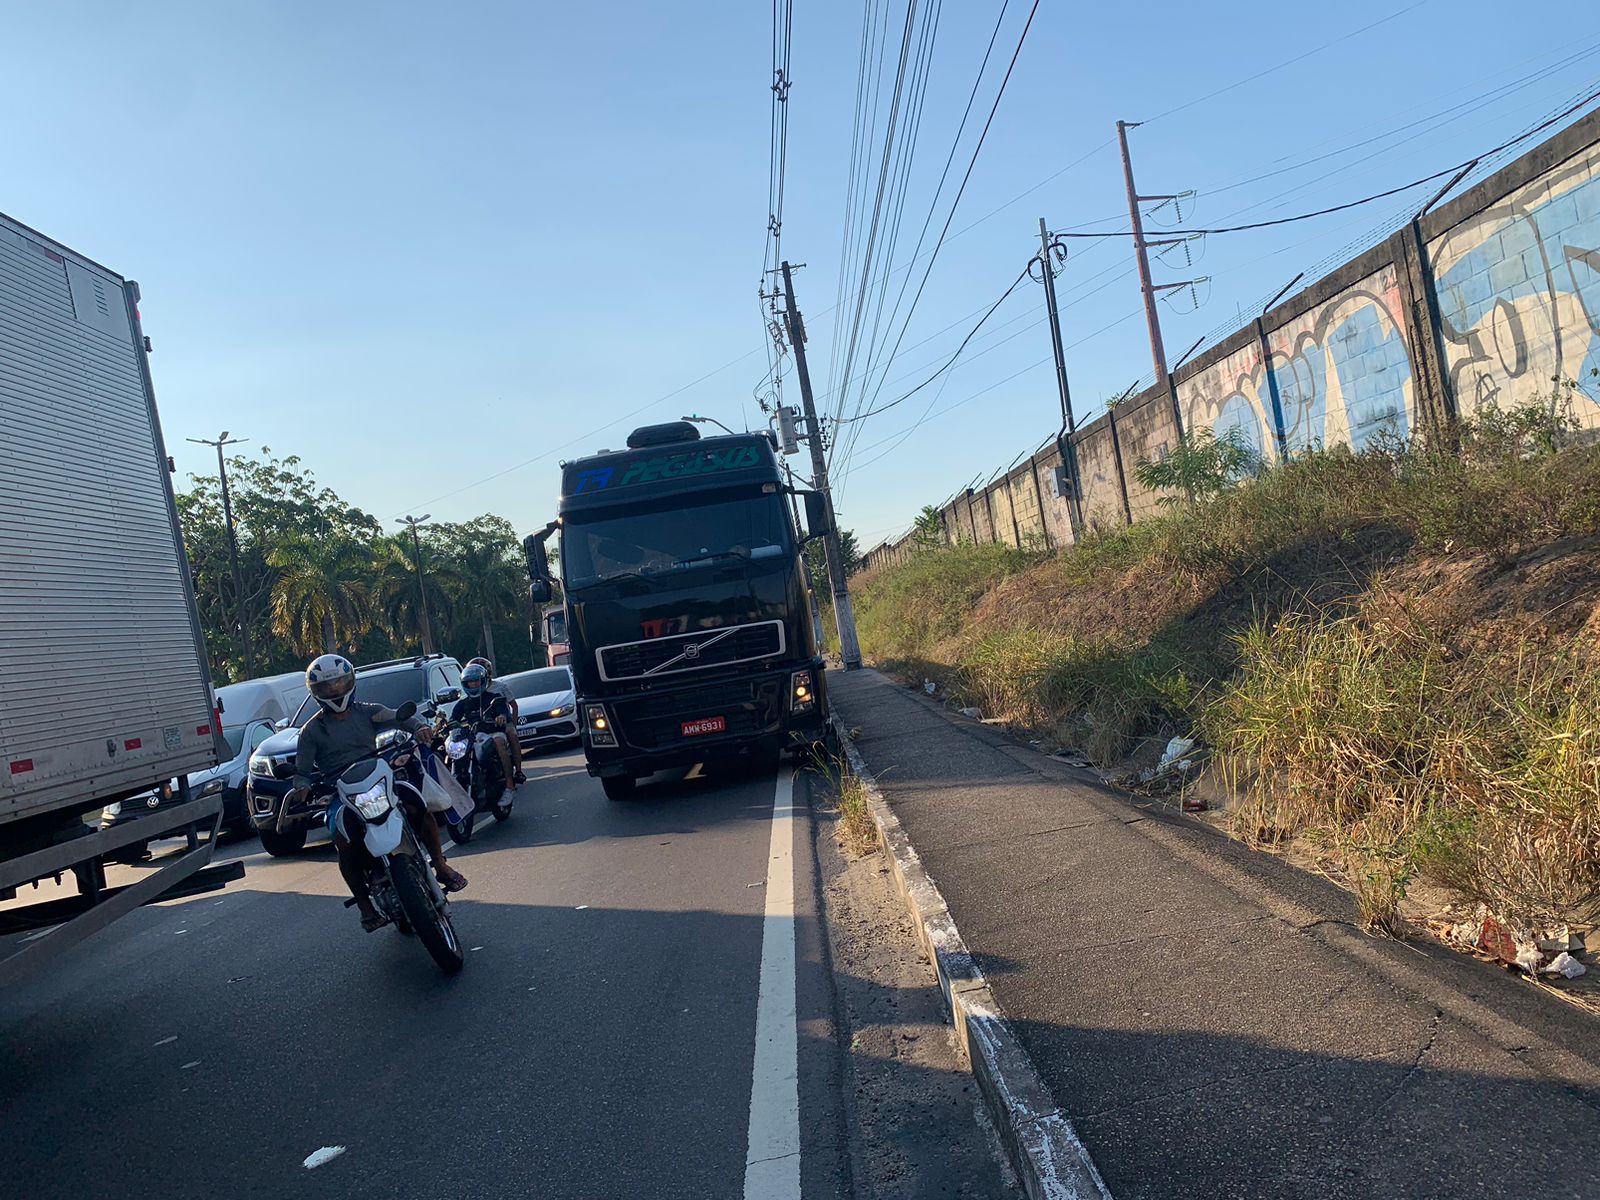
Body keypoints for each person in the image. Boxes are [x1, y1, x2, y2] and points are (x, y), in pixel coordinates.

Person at [289, 654, 467, 931]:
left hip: (378, 779)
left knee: (416, 803)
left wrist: (419, 727)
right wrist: (301, 787)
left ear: (350, 682)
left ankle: (441, 865)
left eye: (339, 683)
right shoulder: (311, 731)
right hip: (341, 793)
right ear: (316, 692)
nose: (335, 690)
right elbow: (301, 771)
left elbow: (400, 717)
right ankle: (365, 906)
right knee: (342, 841)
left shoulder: (367, 711)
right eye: (327, 687)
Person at [453, 662, 518, 794]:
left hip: (493, 732)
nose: (474, 684)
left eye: (477, 681)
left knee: (499, 743)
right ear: (465, 684)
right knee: (455, 749)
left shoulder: (494, 698)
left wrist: (501, 717)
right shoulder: (463, 703)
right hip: (474, 736)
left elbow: (504, 711)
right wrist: (446, 725)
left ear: (483, 680)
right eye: (470, 682)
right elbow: (453, 719)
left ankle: (509, 785)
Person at [468, 656, 526, 785]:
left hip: (501, 721)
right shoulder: (470, 691)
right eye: (471, 679)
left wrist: (512, 724)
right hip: (480, 724)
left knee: (512, 736)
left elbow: (513, 706)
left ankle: (518, 771)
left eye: (478, 677)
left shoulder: (500, 687)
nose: (474, 682)